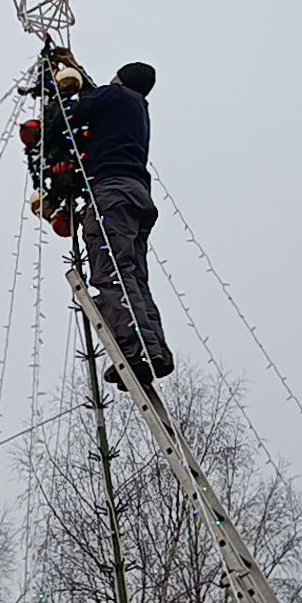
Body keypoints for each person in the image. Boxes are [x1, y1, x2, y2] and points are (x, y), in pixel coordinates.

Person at [57, 53, 172, 386]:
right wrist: (75, 68)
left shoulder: (115, 96)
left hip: (111, 193)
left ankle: (135, 351)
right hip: (137, 195)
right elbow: (97, 97)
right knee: (133, 275)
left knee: (112, 272)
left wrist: (59, 91)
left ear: (119, 79)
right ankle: (154, 348)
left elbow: (75, 112)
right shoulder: (134, 106)